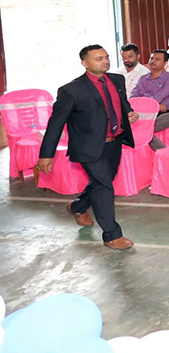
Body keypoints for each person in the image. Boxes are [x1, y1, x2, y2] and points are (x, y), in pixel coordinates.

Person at [37, 45, 139, 250]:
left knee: (103, 181)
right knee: (104, 186)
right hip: (88, 146)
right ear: (84, 63)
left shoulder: (117, 80)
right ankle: (112, 235)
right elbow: (56, 123)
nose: (105, 61)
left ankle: (78, 205)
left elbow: (121, 103)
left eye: (106, 57)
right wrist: (46, 154)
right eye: (99, 59)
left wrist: (128, 112)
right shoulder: (71, 90)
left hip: (114, 142)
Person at [130, 49, 169, 149]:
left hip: (165, 113)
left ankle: (163, 153)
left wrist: (146, 99)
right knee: (137, 126)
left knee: (145, 128)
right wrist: (154, 104)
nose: (152, 61)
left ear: (165, 63)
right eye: (151, 58)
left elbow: (158, 98)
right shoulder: (143, 78)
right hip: (144, 113)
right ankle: (163, 152)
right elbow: (133, 98)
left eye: (157, 59)